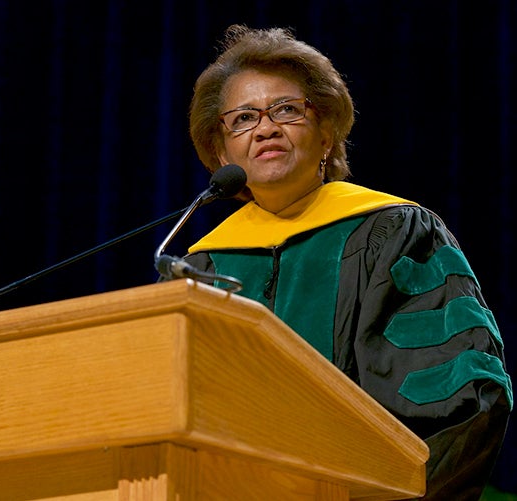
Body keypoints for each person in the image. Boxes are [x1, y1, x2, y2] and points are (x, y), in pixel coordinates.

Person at [182, 24, 512, 499]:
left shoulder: (394, 233)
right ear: (221, 150)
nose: (266, 129)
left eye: (287, 110)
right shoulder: (203, 269)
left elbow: (460, 402)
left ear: (327, 134)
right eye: (243, 119)